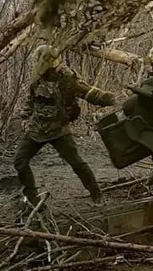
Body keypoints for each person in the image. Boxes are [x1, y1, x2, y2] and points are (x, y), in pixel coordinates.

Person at [14, 44, 117, 206]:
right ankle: (33, 199)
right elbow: (31, 100)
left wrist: (110, 99)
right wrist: (24, 117)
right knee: (20, 162)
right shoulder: (36, 78)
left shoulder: (67, 78)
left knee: (77, 163)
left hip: (59, 130)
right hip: (37, 128)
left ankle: (97, 195)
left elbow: (88, 92)